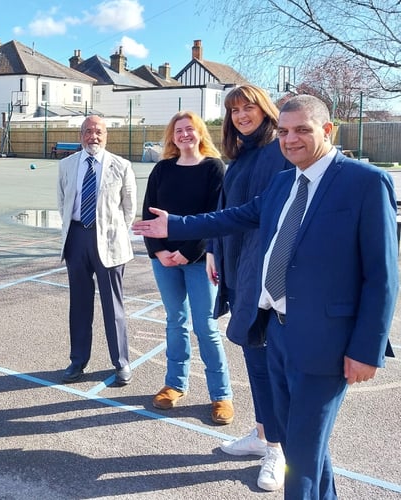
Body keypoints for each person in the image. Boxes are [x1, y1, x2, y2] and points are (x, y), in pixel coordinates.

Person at [131, 94, 398, 499]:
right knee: (297, 444)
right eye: (286, 131)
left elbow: (382, 276)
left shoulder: (363, 182)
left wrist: (367, 348)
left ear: (327, 131)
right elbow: (235, 216)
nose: (290, 140)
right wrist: (178, 224)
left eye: (302, 130)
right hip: (274, 330)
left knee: (302, 455)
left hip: (325, 340)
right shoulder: (283, 180)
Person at [212, 85, 293, 491]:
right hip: (239, 269)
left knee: (268, 368)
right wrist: (213, 251)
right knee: (253, 358)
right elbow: (226, 210)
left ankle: (277, 450)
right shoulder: (240, 157)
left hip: (266, 277)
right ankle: (263, 435)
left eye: (249, 107)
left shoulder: (279, 152)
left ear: (265, 110)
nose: (242, 115)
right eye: (234, 110)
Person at [141, 111, 234, 425]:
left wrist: (186, 251)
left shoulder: (213, 168)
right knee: (175, 322)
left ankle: (221, 395)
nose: (184, 135)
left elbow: (216, 216)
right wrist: (161, 251)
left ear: (200, 133)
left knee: (206, 327)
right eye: (178, 130)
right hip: (165, 261)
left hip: (198, 260)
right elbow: (148, 215)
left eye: (189, 129)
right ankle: (174, 384)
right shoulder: (163, 169)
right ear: (172, 135)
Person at [56, 114, 137, 385]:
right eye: (88, 131)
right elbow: (63, 202)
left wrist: (112, 231)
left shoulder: (121, 166)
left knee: (113, 305)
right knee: (79, 304)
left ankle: (121, 362)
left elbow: (129, 209)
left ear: (106, 135)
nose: (94, 136)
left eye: (99, 131)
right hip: (76, 238)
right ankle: (77, 361)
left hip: (109, 240)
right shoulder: (66, 165)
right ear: (81, 136)